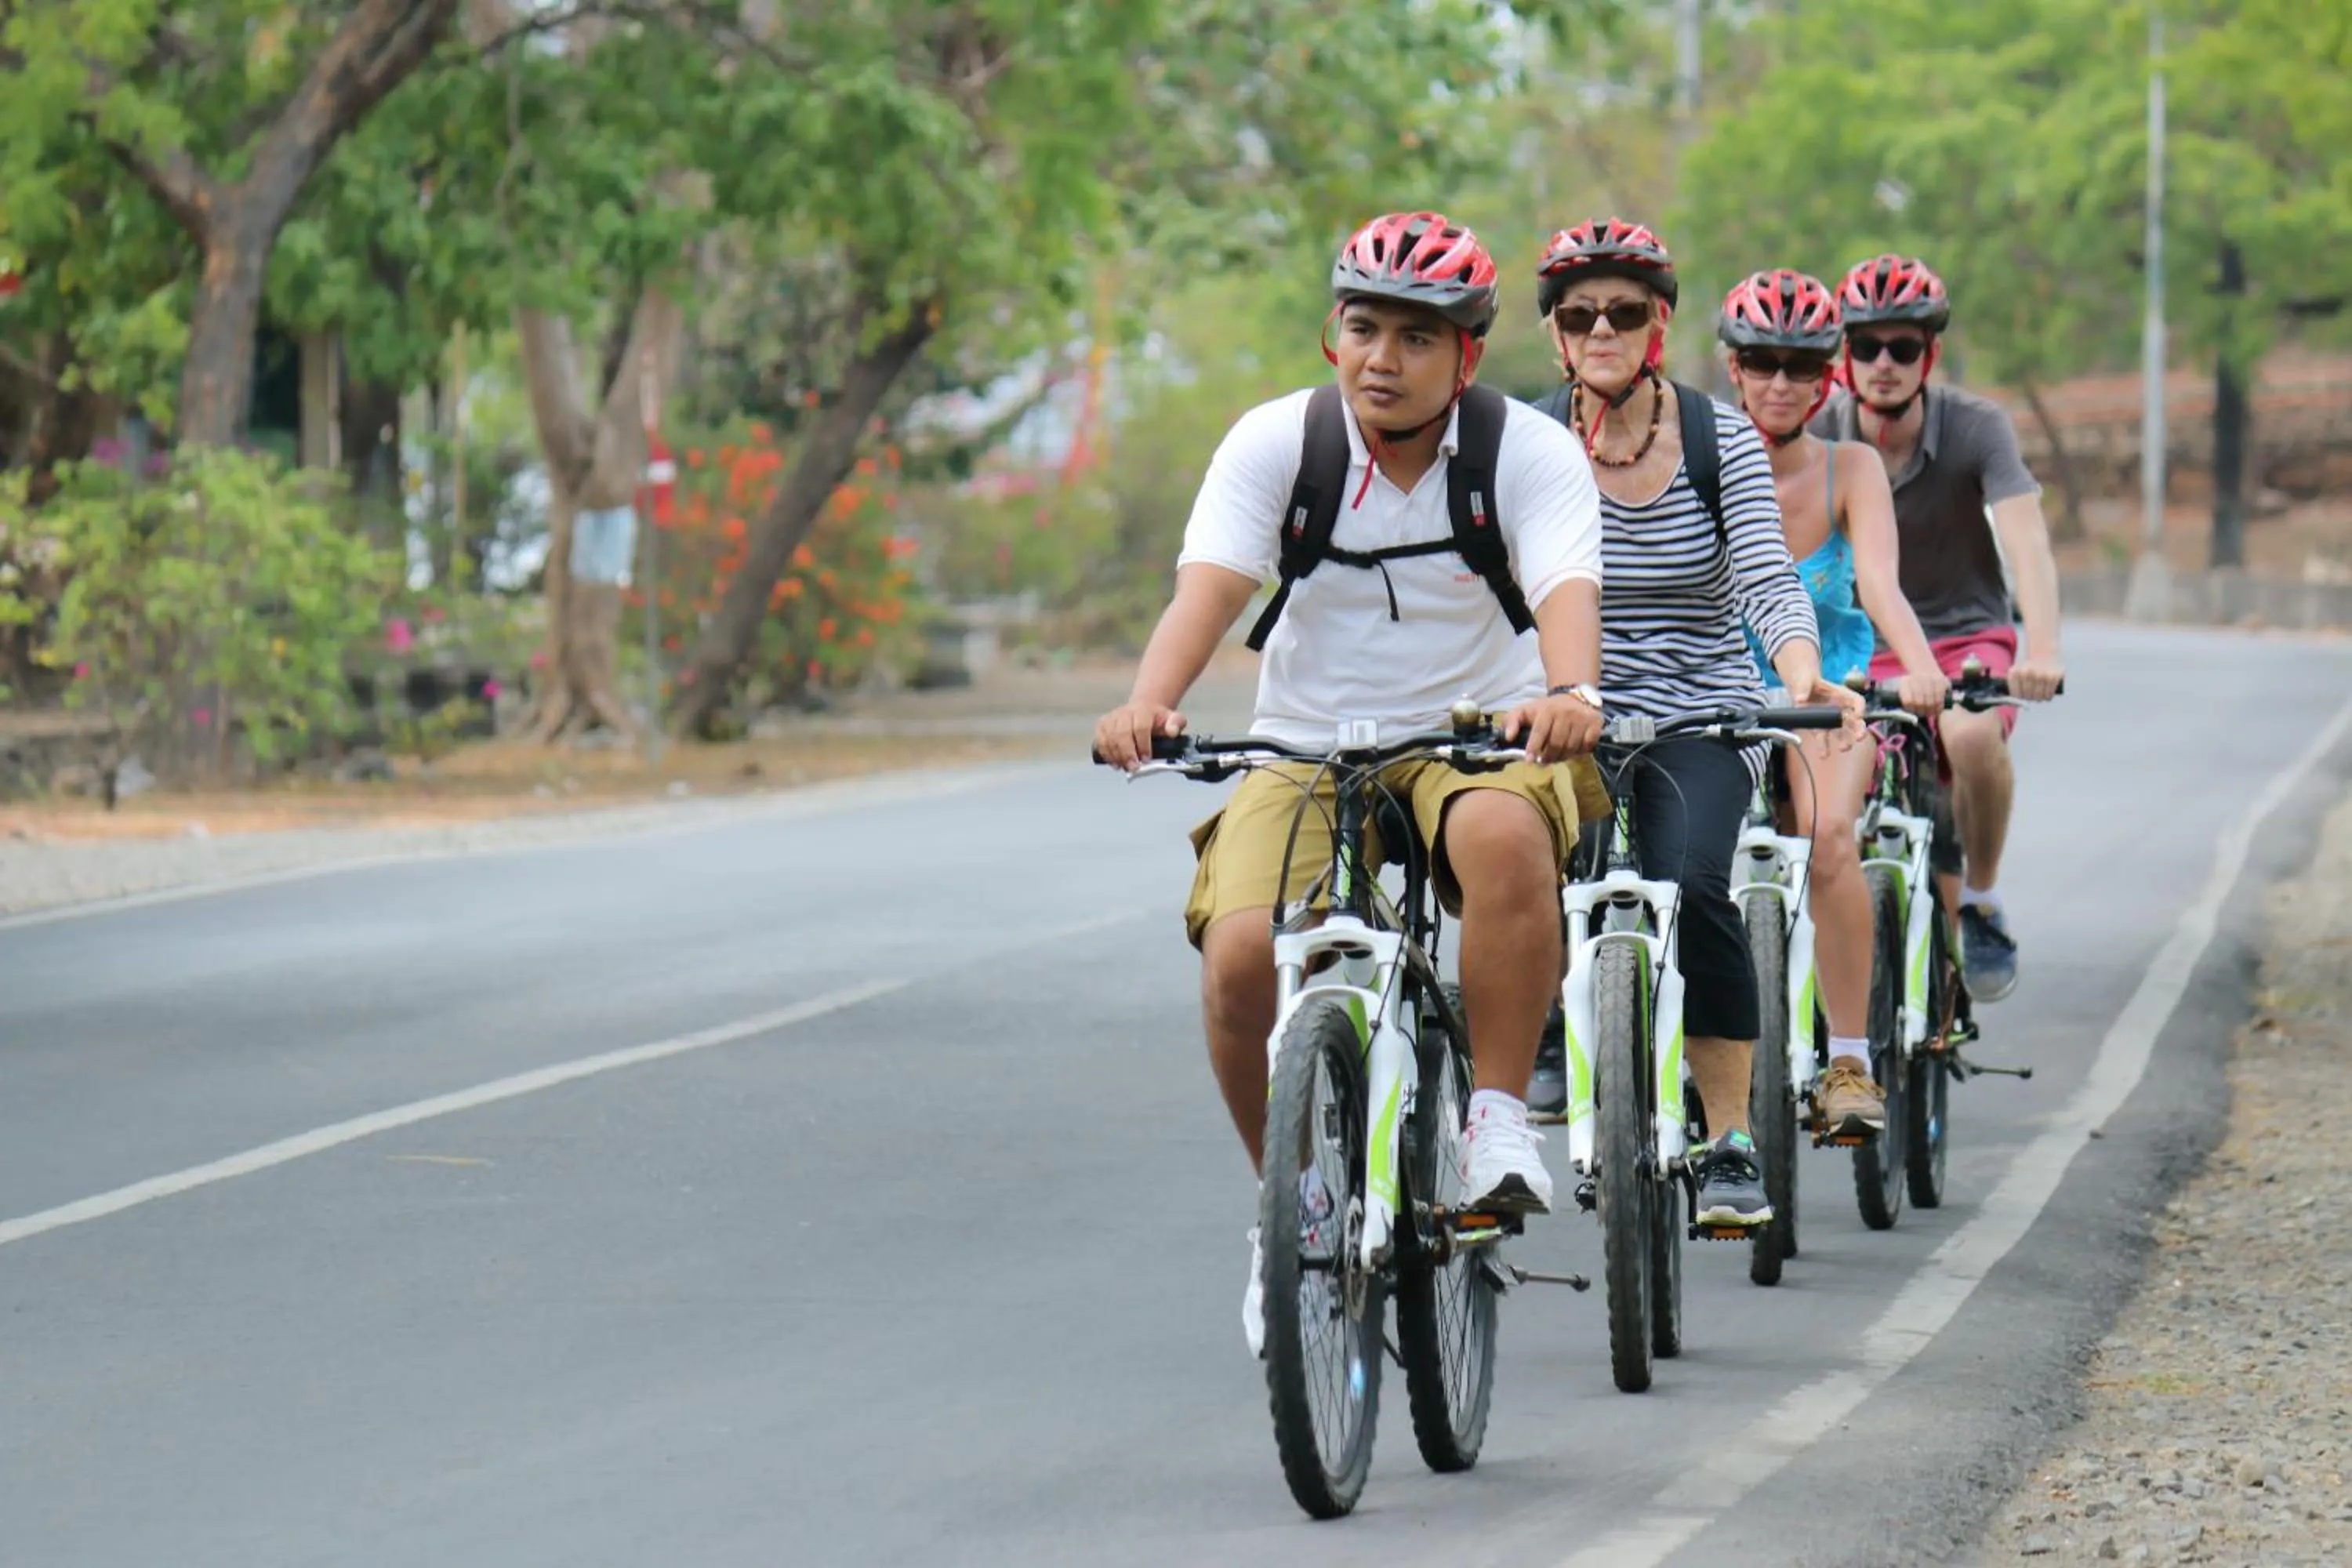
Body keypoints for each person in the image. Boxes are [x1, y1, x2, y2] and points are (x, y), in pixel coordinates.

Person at [1094, 211, 1609, 1356]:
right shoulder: (1279, 445)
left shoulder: (1526, 452)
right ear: (1333, 336)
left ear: (1466, 355)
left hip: (1477, 732)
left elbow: (1569, 585)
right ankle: (1297, 1208)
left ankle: (1493, 1124)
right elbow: (1208, 592)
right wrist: (1148, 701)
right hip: (1306, 741)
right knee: (1238, 956)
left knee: (1503, 842)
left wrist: (1569, 691)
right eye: (1362, 327)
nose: (1383, 356)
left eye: (1417, 337)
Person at [1521, 219, 1861, 1229]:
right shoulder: (1530, 443)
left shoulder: (1720, 439)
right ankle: (1547, 1027)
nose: (1602, 328)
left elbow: (1766, 578)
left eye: (1625, 310)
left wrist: (1805, 676)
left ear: (1659, 322)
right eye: (1579, 314)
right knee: (1518, 866)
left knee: (1697, 883)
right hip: (1569, 710)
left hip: (1702, 711)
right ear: (1555, 335)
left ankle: (1727, 1139)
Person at [1718, 268, 1950, 1135]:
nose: (1783, 383)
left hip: (1831, 693)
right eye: (1763, 362)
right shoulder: (1696, 452)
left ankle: (1849, 1059)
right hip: (1723, 693)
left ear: (1831, 377)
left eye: (1805, 365)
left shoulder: (1850, 466)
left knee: (1830, 839)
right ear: (1732, 368)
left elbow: (1881, 585)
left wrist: (1920, 670)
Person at [1809, 255, 2066, 1001]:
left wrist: (2042, 649)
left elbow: (2028, 544)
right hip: (1859, 649)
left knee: (1971, 735)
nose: (1883, 365)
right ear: (1843, 356)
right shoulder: (1818, 432)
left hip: (1965, 640)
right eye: (1865, 347)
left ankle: (1979, 901)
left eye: (1903, 348)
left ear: (1932, 356)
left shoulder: (1977, 428)